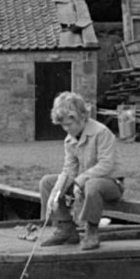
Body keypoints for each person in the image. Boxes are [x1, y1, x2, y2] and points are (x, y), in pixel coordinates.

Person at [38, 91, 123, 250]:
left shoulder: (101, 132)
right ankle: (66, 229)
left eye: (68, 124)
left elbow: (106, 165)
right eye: (62, 125)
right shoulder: (69, 140)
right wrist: (55, 194)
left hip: (111, 183)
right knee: (47, 182)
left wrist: (79, 181)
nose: (65, 129)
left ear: (81, 117)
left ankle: (91, 231)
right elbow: (69, 170)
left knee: (92, 185)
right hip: (84, 182)